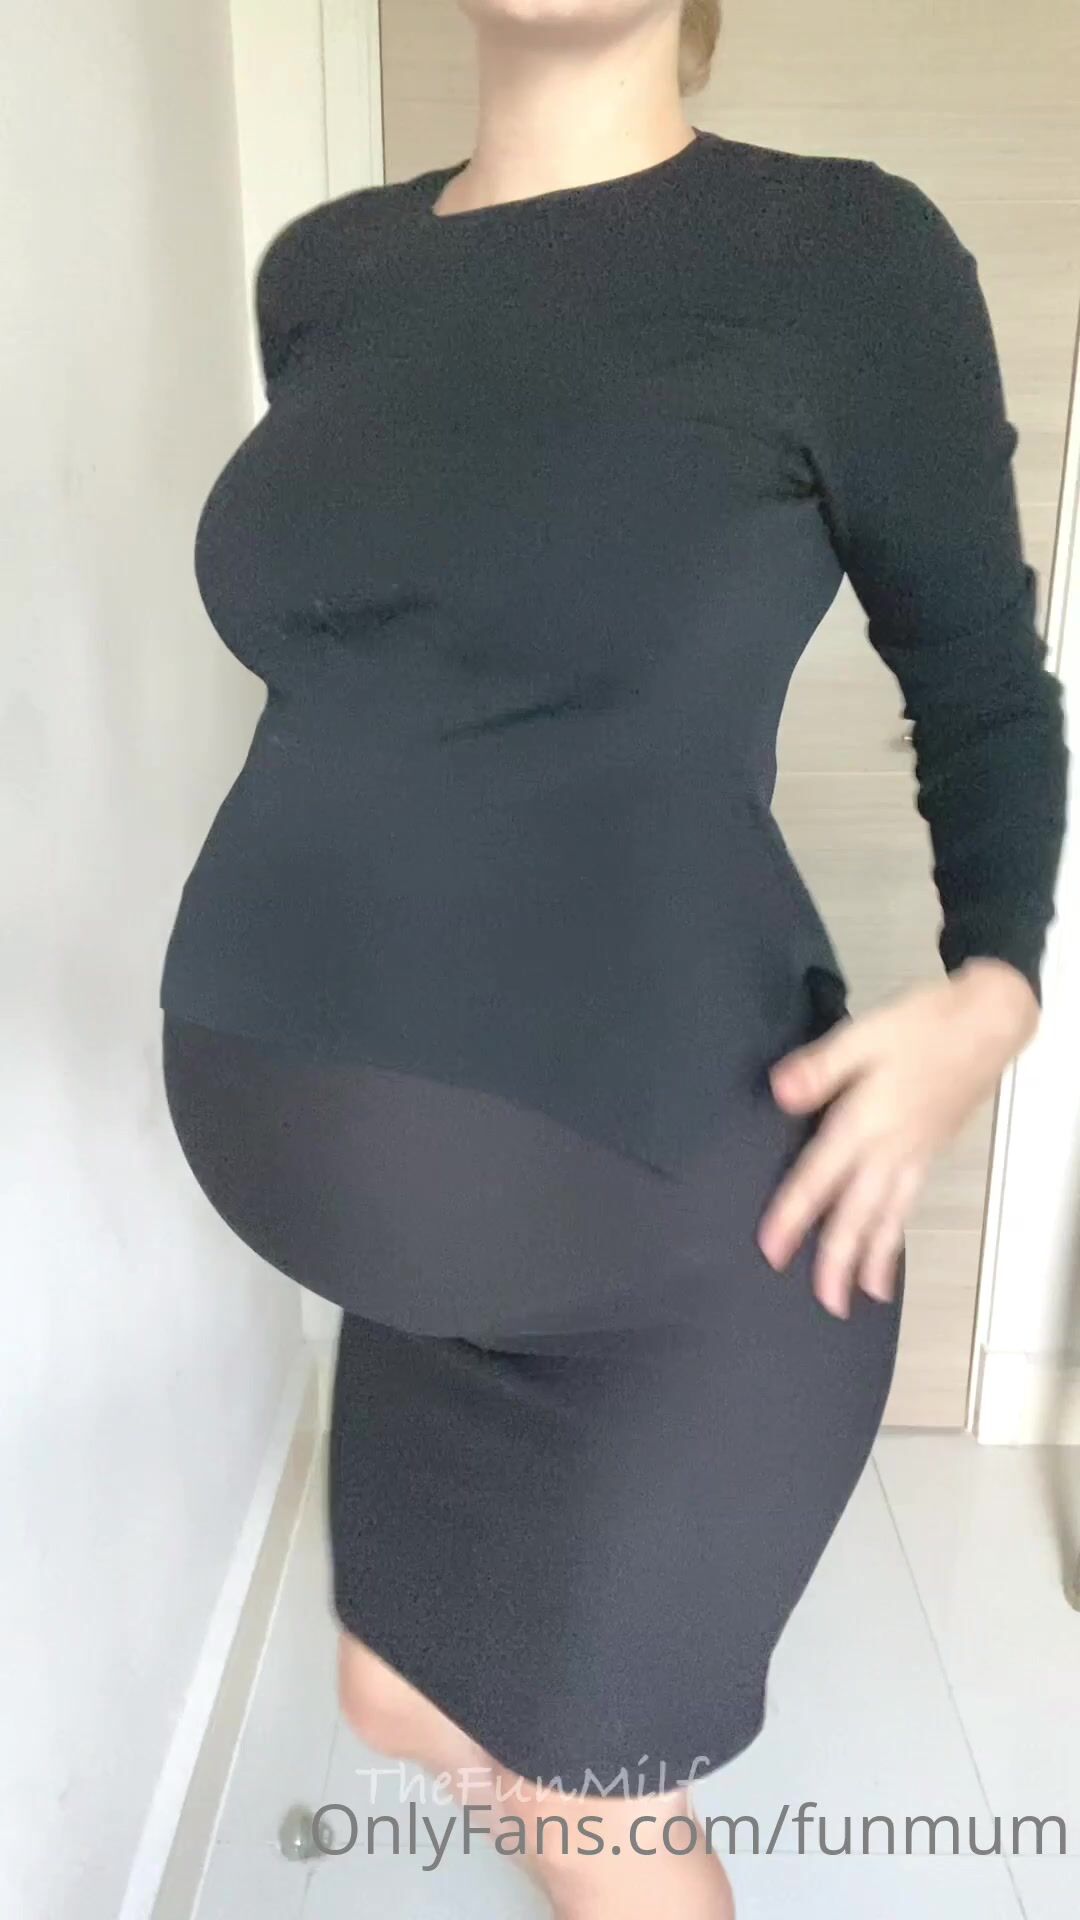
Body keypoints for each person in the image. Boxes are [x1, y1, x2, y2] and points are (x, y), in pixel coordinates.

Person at [157, 1, 1068, 1913]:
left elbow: (983, 680)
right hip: (412, 1268)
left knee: (589, 1803)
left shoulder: (840, 253)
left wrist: (996, 982)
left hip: (682, 1226)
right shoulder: (327, 272)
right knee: (400, 1696)